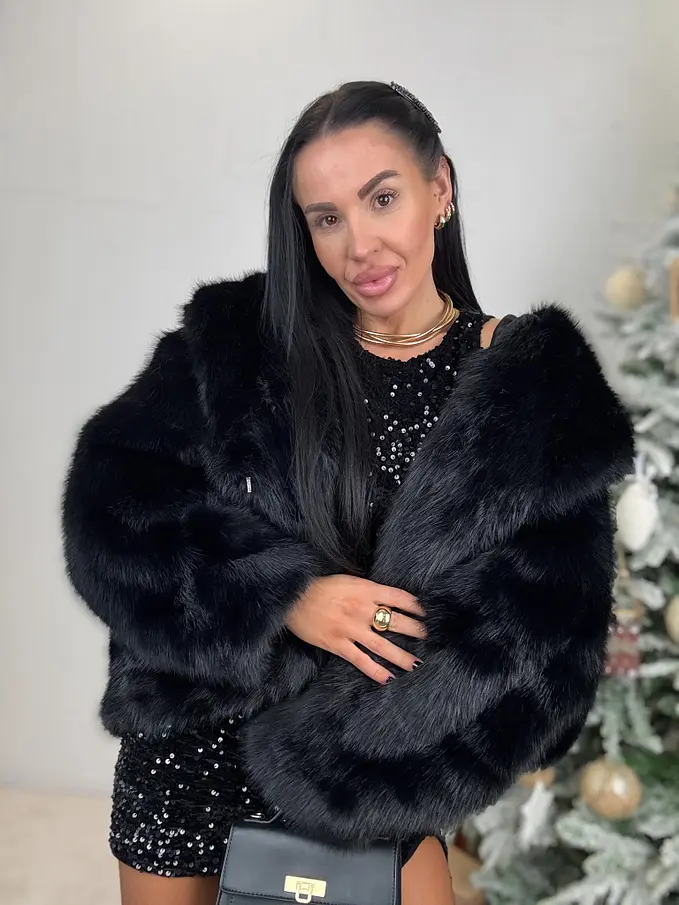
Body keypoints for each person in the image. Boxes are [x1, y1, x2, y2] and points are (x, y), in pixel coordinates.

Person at [61, 80, 634, 905]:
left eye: (382, 198)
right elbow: (111, 513)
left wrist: (359, 769)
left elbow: (547, 649)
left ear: (439, 188)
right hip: (187, 770)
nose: (359, 243)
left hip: (362, 792)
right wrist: (285, 598)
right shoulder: (237, 346)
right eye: (326, 217)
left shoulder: (528, 394)